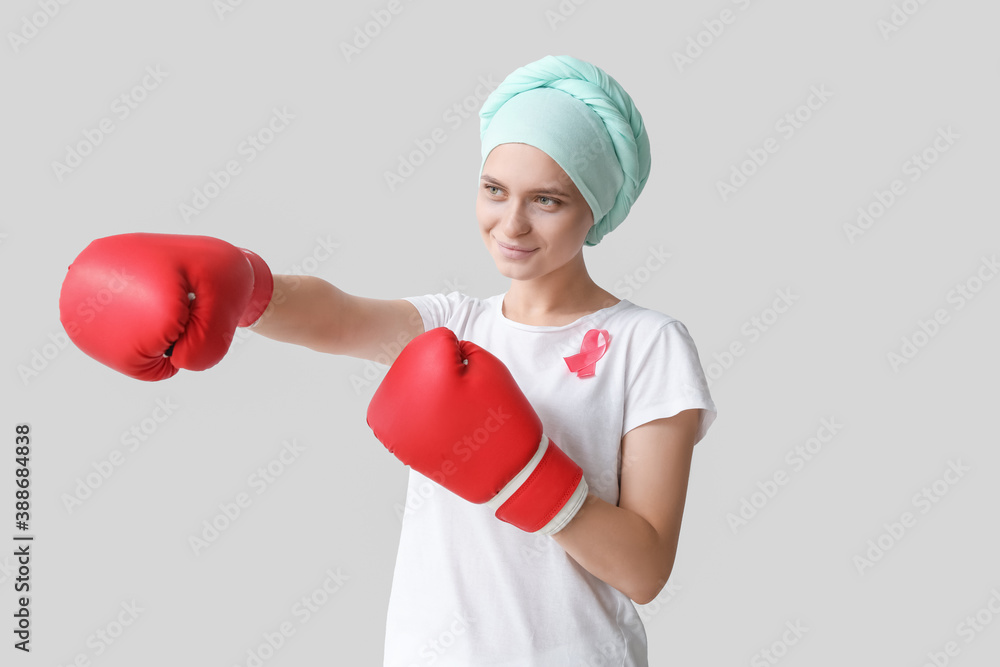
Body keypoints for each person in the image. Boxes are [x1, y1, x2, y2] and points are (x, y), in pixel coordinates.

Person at [58, 55, 716, 666]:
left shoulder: (647, 343)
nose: (511, 223)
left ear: (593, 205)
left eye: (547, 199)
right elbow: (338, 316)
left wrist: (525, 476)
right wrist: (238, 285)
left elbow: (645, 568)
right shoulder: (456, 325)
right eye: (494, 189)